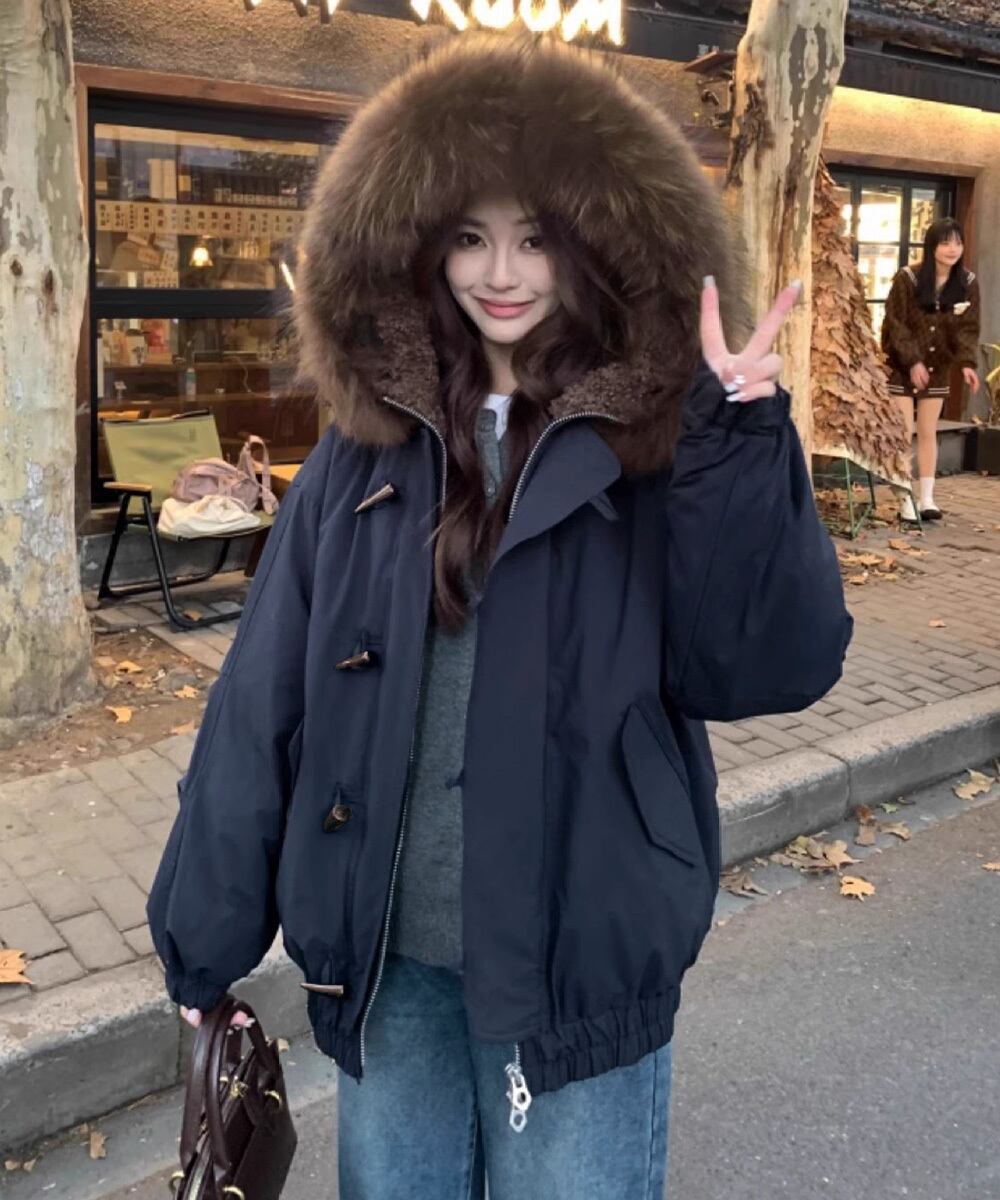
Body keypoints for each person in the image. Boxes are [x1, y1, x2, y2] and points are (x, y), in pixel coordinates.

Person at [147, 36, 852, 1200]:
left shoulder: (656, 446)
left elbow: (766, 666)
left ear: (595, 244)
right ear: (423, 247)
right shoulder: (362, 451)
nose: (502, 272)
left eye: (535, 237)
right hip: (389, 959)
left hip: (579, 960)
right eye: (470, 237)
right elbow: (262, 699)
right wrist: (204, 933)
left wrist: (736, 439)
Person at [882, 217, 981, 522]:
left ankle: (927, 498)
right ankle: (904, 497)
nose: (953, 249)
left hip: (938, 366)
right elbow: (895, 324)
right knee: (904, 431)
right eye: (945, 242)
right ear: (931, 246)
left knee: (928, 430)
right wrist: (912, 361)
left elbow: (968, 328)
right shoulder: (908, 278)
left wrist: (966, 363)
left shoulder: (967, 282)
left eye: (958, 243)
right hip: (902, 364)